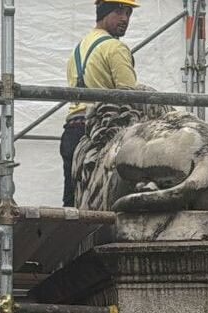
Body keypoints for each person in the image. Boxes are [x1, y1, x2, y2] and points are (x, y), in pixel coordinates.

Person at [61, 0, 140, 207]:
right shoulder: (115, 48)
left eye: (128, 13)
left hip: (72, 131)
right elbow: (131, 98)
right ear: (103, 12)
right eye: (119, 11)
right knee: (109, 206)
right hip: (102, 133)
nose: (125, 18)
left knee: (73, 206)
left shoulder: (78, 50)